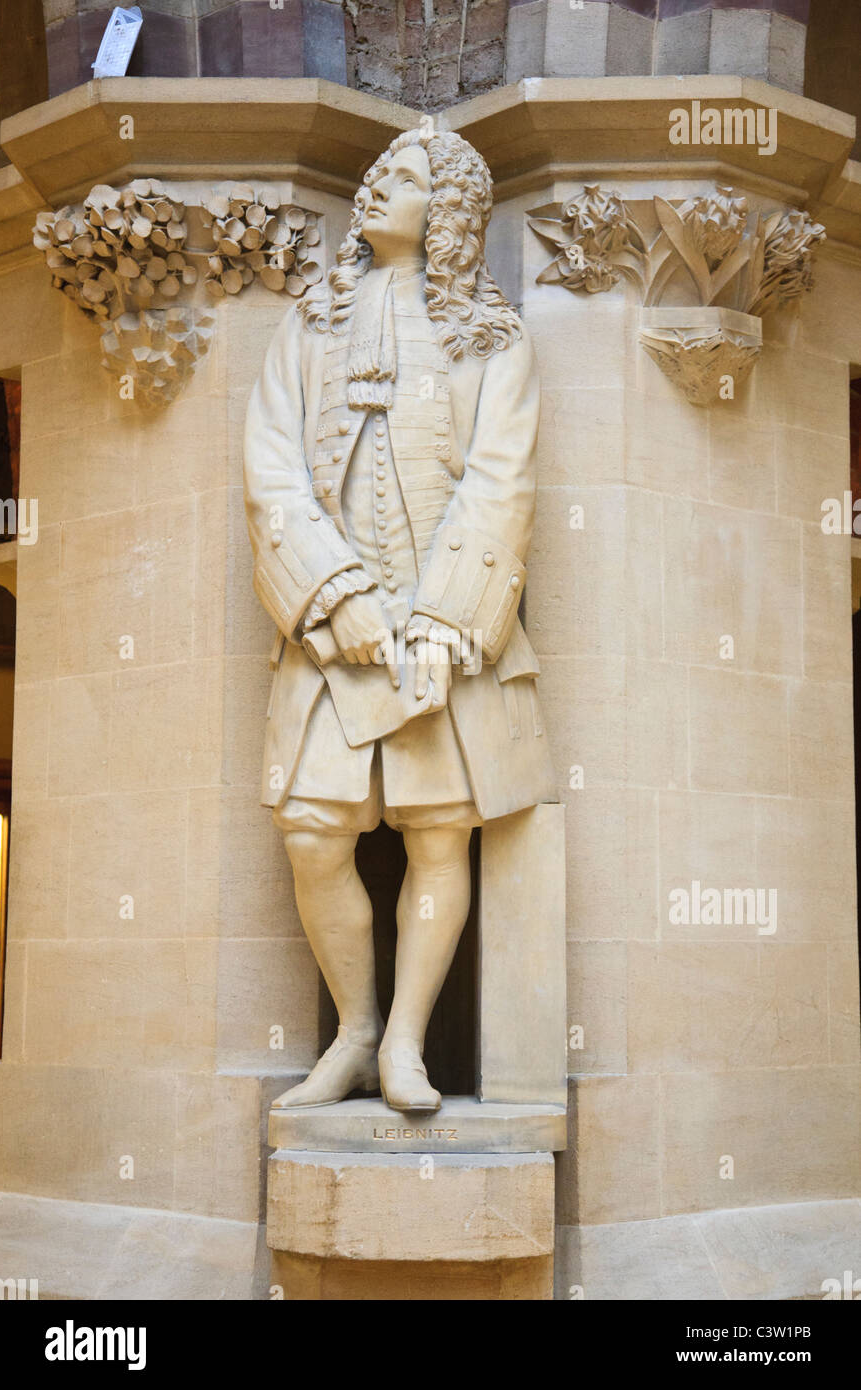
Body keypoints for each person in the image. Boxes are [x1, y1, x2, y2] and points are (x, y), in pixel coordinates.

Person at [243, 127, 555, 1114]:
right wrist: (332, 592)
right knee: (311, 831)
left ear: (452, 210)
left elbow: (502, 485)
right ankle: (354, 1027)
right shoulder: (308, 325)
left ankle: (406, 1044)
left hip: (440, 637)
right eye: (376, 172)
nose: (379, 184)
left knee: (438, 832)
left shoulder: (492, 339)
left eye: (409, 176)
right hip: (333, 634)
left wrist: (437, 623)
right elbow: (269, 469)